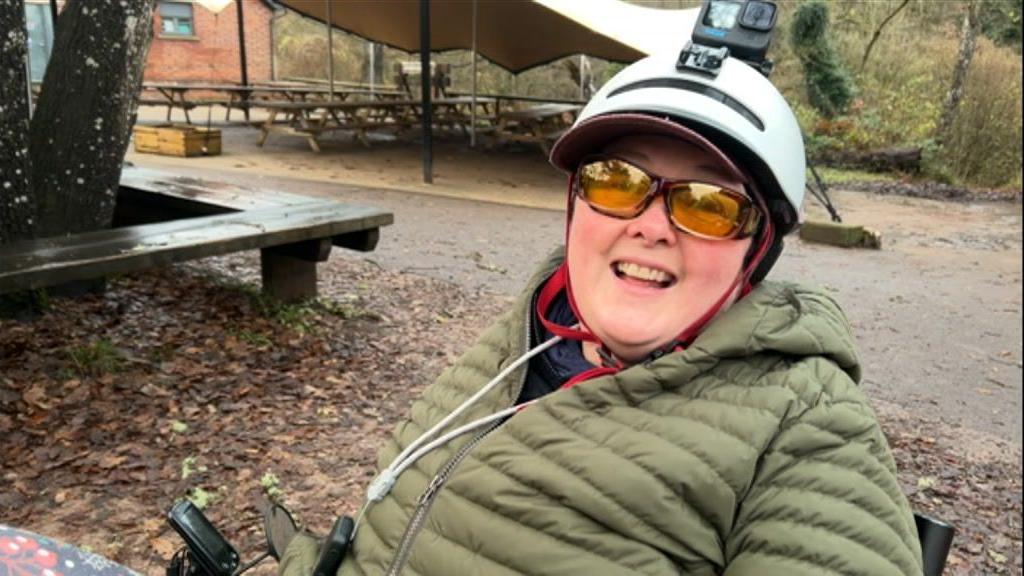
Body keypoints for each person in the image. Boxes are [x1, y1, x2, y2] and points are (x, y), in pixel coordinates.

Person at [279, 45, 923, 576]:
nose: (650, 227)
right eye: (616, 180)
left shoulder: (805, 421)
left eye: (707, 204)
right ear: (574, 204)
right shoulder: (527, 330)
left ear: (757, 252)